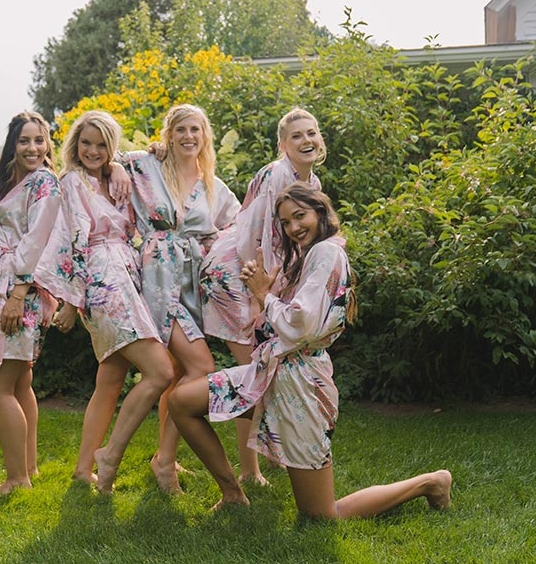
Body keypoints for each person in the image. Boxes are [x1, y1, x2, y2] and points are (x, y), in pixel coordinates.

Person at [170, 184, 453, 517]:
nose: (293, 227)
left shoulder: (327, 254)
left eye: (299, 216)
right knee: (183, 401)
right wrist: (263, 288)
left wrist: (265, 295)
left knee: (321, 515)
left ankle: (431, 482)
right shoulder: (305, 257)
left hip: (301, 385)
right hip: (270, 372)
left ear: (320, 211)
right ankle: (233, 493)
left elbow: (301, 324)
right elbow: (275, 326)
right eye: (286, 222)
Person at [48, 110, 175, 494]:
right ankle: (110, 455)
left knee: (111, 379)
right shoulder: (71, 182)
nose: (93, 150)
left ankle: (82, 470)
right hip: (101, 280)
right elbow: (70, 239)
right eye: (86, 142)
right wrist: (71, 301)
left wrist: (118, 165)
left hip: (127, 271)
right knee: (161, 373)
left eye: (102, 144)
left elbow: (155, 158)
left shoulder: (116, 176)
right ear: (75, 144)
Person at [199, 108, 325, 485]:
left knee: (265, 370)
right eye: (297, 136)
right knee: (255, 374)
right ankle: (251, 471)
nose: (307, 141)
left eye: (312, 133)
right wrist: (259, 298)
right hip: (236, 274)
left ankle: (269, 454)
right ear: (283, 144)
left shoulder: (311, 182)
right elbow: (253, 237)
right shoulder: (275, 174)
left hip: (260, 279)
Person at [120, 103, 240, 494]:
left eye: (196, 130)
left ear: (204, 136)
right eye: (181, 130)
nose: (189, 137)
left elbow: (237, 226)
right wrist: (131, 162)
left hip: (193, 283)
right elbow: (103, 158)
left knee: (177, 372)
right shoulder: (146, 167)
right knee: (201, 366)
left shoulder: (212, 185)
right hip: (157, 280)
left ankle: (163, 455)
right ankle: (165, 462)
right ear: (168, 134)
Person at [0, 111, 67, 497]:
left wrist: (17, 294)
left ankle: (16, 479)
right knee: (20, 380)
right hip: (5, 291)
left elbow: (38, 242)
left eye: (39, 140)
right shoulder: (13, 185)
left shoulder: (44, 184)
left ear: (48, 145)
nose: (32, 148)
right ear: (12, 144)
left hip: (19, 294)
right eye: (24, 140)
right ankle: (28, 468)